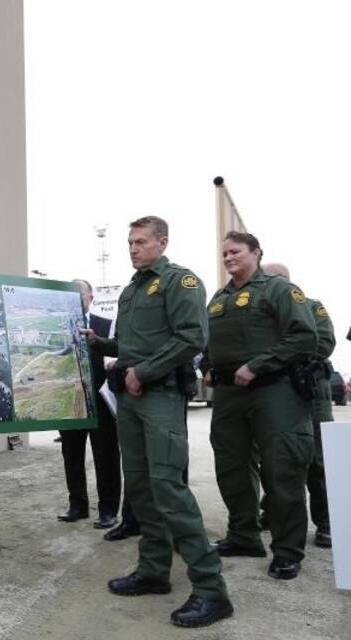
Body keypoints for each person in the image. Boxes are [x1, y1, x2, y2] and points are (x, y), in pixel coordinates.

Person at [83, 216, 232, 628]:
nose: (132, 248)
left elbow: (191, 337)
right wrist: (101, 344)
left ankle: (210, 589)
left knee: (169, 488)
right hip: (131, 398)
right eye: (129, 241)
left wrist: (144, 372)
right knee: (143, 486)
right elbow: (133, 345)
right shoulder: (133, 289)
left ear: (161, 243)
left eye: (140, 241)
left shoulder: (179, 282)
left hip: (160, 395)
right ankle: (153, 571)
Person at [203, 235, 317, 581]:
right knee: (231, 466)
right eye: (224, 253)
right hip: (228, 396)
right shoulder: (219, 299)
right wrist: (207, 366)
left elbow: (304, 337)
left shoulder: (279, 290)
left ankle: (287, 551)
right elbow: (211, 342)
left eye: (235, 251)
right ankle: (243, 536)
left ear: (256, 253)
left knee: (281, 469)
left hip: (273, 392)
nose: (228, 257)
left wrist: (257, 365)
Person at [254, 262, 335, 549]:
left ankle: (326, 523)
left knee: (317, 460)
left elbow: (322, 343)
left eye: (264, 278)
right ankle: (272, 511)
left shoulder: (311, 307)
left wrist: (276, 356)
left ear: (282, 282)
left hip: (309, 391)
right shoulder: (257, 312)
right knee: (277, 457)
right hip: (275, 394)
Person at [57, 279, 121, 529]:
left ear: (91, 297)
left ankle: (108, 510)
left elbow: (116, 356)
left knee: (106, 455)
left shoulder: (105, 325)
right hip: (70, 400)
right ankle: (77, 506)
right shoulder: (60, 327)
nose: (74, 298)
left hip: (100, 401)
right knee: (71, 454)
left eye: (79, 294)